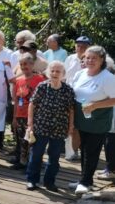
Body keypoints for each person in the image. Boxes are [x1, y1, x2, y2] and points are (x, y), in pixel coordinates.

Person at [69, 46, 115, 194]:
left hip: (98, 120)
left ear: (102, 60)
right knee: (84, 149)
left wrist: (95, 105)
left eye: (94, 58)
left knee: (92, 151)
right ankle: (85, 179)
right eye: (87, 57)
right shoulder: (80, 74)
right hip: (81, 118)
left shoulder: (107, 77)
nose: (90, 60)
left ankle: (85, 182)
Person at [25, 61, 75, 191]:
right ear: (48, 73)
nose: (54, 73)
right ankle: (32, 180)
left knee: (54, 157)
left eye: (58, 71)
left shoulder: (68, 90)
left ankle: (49, 182)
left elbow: (71, 110)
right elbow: (32, 104)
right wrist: (30, 124)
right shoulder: (42, 87)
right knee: (36, 155)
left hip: (59, 128)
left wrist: (70, 127)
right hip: (41, 126)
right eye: (52, 71)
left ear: (63, 74)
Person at [11, 54, 45, 169]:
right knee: (21, 140)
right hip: (20, 114)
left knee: (33, 141)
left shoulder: (40, 80)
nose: (23, 66)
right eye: (21, 64)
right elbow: (16, 101)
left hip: (34, 116)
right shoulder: (18, 81)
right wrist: (14, 117)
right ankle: (22, 161)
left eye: (26, 64)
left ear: (32, 65)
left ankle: (34, 163)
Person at [64, 35, 92, 161]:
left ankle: (77, 150)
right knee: (70, 124)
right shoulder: (69, 58)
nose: (80, 48)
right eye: (78, 45)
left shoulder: (91, 60)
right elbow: (64, 76)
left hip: (85, 97)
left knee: (81, 125)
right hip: (69, 95)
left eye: (84, 46)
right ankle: (71, 150)